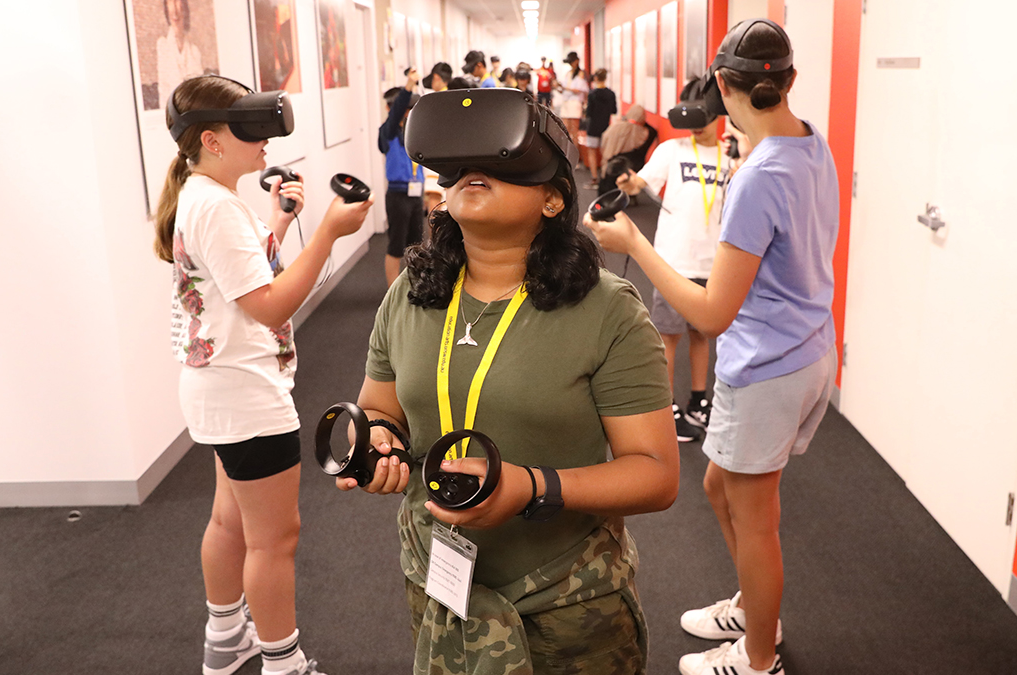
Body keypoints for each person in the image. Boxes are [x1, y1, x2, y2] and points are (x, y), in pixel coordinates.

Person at [338, 96, 680, 674]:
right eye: (459, 169)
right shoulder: (411, 294)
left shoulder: (607, 310)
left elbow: (656, 474)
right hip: (440, 579)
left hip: (567, 600)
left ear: (552, 198)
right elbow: (380, 410)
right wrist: (378, 443)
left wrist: (532, 487)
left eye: (498, 166)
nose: (474, 173)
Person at [585, 20, 838, 675]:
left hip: (768, 366)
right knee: (719, 486)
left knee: (755, 519)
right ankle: (755, 606)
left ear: (725, 85)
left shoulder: (758, 177)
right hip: (809, 350)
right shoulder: (812, 143)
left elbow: (711, 311)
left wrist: (635, 245)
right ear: (787, 82)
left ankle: (759, 655)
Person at [155, 75, 372, 675]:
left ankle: (226, 640)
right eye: (248, 129)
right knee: (275, 538)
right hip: (246, 394)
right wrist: (327, 232)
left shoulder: (206, 196)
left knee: (230, 519)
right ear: (211, 140)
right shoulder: (216, 207)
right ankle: (284, 663)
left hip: (220, 389)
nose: (264, 141)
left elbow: (240, 281)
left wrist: (277, 223)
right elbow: (270, 305)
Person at [614, 76, 729, 443]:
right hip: (673, 262)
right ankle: (667, 408)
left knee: (702, 335)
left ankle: (699, 400)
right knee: (667, 336)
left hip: (713, 264)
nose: (699, 124)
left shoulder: (730, 158)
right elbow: (641, 184)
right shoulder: (672, 149)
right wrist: (628, 182)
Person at [379, 69, 427, 287]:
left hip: (415, 194)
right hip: (398, 195)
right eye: (404, 108)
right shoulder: (387, 132)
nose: (407, 113)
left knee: (416, 245)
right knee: (396, 246)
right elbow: (397, 111)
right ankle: (392, 292)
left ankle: (414, 286)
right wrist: (409, 85)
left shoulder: (411, 132)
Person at [598, 104, 658, 197]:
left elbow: (604, 142)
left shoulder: (615, 127)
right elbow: (653, 131)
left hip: (611, 165)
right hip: (632, 167)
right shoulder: (644, 133)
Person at [155, 0, 204, 110]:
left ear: (185, 12)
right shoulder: (162, 45)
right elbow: (164, 90)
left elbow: (199, 89)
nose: (175, 15)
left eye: (179, 10)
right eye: (171, 11)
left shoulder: (194, 50)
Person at [582, 68, 617, 188]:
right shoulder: (611, 94)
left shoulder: (592, 94)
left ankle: (594, 178)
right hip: (605, 126)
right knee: (605, 153)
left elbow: (589, 113)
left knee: (591, 153)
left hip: (593, 127)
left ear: (596, 78)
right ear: (606, 78)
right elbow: (614, 110)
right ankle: (604, 177)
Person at [555, 52, 589, 141]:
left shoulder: (581, 74)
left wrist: (565, 88)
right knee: (565, 129)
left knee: (574, 131)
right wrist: (557, 87)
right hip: (566, 102)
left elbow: (579, 90)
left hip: (575, 102)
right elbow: (564, 90)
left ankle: (574, 152)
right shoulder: (568, 73)